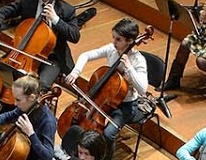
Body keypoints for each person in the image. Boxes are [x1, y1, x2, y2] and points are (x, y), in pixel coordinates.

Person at [63, 17, 155, 150]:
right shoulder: (112, 49)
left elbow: (142, 89)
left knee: (108, 134)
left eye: (118, 39)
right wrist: (75, 72)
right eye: (113, 37)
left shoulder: (138, 60)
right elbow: (85, 55)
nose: (114, 42)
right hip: (103, 99)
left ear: (130, 41)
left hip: (125, 106)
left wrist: (129, 67)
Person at [0, 0, 81, 89]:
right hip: (24, 50)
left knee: (40, 86)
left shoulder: (66, 10)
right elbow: (3, 11)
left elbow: (75, 36)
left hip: (52, 57)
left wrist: (55, 19)